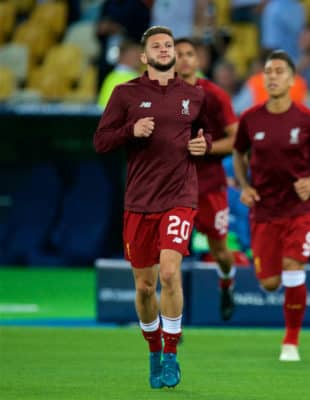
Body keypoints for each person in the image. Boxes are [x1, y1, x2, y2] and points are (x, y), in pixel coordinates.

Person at [94, 26, 211, 389]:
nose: (164, 49)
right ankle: (153, 351)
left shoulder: (195, 95)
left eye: (168, 45)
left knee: (171, 273)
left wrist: (201, 147)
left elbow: (201, 137)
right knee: (145, 288)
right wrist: (131, 130)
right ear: (144, 57)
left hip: (179, 197)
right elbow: (100, 142)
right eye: (156, 46)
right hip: (140, 201)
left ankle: (172, 353)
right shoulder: (125, 93)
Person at [233, 50, 310, 361]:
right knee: (268, 283)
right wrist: (244, 185)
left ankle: (290, 342)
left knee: (293, 267)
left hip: (300, 208)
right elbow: (239, 154)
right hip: (264, 211)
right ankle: (292, 262)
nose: (273, 76)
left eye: (279, 71)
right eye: (268, 71)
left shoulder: (309, 119)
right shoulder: (251, 119)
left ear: (292, 80)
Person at [175, 37, 238, 320]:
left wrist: (208, 147)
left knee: (220, 252)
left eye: (190, 54)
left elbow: (237, 139)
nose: (185, 59)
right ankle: (173, 318)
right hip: (174, 188)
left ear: (198, 60)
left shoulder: (214, 95)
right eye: (178, 54)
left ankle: (227, 284)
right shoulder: (159, 96)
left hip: (210, 186)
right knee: (170, 254)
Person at [97, 39, 141, 108]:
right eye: (136, 54)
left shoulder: (110, 77)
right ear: (124, 55)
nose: (140, 59)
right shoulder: (132, 78)